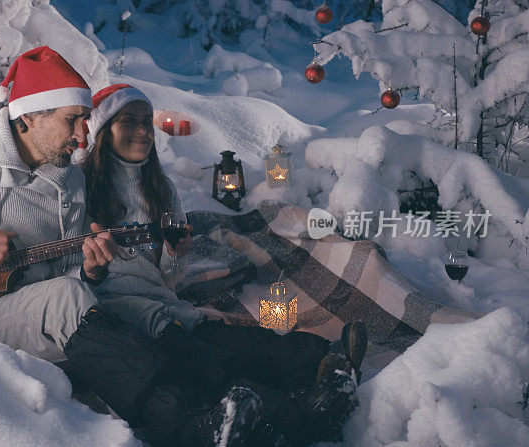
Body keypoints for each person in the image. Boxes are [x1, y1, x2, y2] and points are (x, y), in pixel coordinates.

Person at [0, 47, 269, 447]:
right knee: (65, 298)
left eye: (87, 120)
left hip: (32, 318)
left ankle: (238, 394)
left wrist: (91, 270)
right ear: (29, 117)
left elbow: (66, 273)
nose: (83, 135)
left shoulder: (70, 183)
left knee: (103, 301)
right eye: (73, 120)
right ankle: (179, 424)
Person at [80, 84, 369, 445]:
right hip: (124, 318)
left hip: (168, 307)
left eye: (146, 122)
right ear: (104, 130)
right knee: (219, 362)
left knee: (245, 341)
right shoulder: (83, 187)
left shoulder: (160, 187)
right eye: (128, 121)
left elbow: (170, 279)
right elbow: (72, 273)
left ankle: (331, 361)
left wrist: (176, 255)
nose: (141, 131)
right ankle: (303, 414)